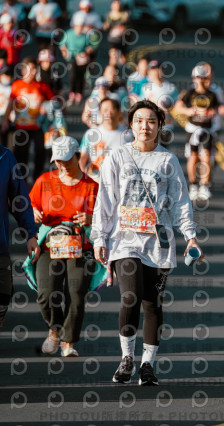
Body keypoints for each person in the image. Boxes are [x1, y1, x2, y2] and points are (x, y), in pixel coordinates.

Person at [91, 99, 203, 386]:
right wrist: (99, 236)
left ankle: (148, 365)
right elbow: (105, 200)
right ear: (130, 125)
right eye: (139, 121)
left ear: (160, 126)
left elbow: (180, 202)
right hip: (124, 240)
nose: (145, 126)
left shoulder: (167, 161)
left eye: (151, 121)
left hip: (157, 243)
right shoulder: (117, 157)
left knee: (152, 304)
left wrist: (190, 237)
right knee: (130, 296)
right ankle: (127, 358)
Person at [28, 136, 98, 356]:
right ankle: (54, 329)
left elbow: (107, 219)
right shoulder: (44, 181)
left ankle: (68, 341)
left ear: (78, 156)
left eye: (67, 160)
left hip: (81, 246)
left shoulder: (91, 186)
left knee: (76, 294)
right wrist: (33, 212)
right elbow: (29, 205)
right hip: (49, 245)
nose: (63, 165)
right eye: (58, 161)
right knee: (46, 293)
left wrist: (91, 219)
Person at [0, 145, 40, 328]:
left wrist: (31, 233)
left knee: (3, 295)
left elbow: (19, 199)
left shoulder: (5, 157)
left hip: (0, 246)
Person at [173, 62, 224, 201]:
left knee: (206, 157)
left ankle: (204, 185)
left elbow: (219, 108)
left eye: (202, 77)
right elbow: (178, 106)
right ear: (193, 78)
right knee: (193, 157)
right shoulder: (190, 92)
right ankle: (193, 185)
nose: (199, 80)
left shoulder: (212, 93)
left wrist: (212, 112)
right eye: (197, 77)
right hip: (193, 129)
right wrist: (188, 111)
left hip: (208, 129)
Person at [3, 56, 54, 183]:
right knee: (21, 155)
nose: (33, 72)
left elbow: (54, 102)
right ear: (23, 70)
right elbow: (10, 104)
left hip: (38, 127)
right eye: (30, 69)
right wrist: (5, 120)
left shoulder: (42, 86)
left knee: (40, 152)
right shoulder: (17, 85)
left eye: (34, 69)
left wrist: (47, 106)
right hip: (21, 127)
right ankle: (21, 181)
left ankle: (37, 178)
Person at [79, 97, 129, 182]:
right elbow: (82, 158)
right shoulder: (92, 133)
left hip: (120, 182)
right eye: (105, 110)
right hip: (96, 181)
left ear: (119, 112)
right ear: (100, 113)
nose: (109, 113)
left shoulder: (129, 134)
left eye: (112, 109)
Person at [60, 12, 99, 106]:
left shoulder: (86, 36)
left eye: (82, 26)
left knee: (81, 77)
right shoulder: (69, 33)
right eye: (78, 26)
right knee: (73, 76)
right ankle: (72, 94)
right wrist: (65, 52)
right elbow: (62, 45)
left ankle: (79, 94)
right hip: (72, 58)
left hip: (82, 59)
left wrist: (86, 52)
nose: (80, 28)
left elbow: (93, 46)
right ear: (74, 26)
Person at [140, 59, 178, 146]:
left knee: (163, 149)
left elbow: (177, 104)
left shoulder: (171, 87)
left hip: (166, 124)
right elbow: (140, 105)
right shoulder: (145, 88)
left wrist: (169, 106)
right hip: (150, 124)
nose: (156, 72)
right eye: (153, 70)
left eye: (158, 69)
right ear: (149, 72)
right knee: (151, 148)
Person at [103, 0, 129, 67]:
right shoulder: (109, 15)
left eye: (118, 5)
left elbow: (128, 27)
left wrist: (122, 29)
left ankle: (119, 67)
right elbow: (106, 26)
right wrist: (105, 26)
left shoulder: (124, 15)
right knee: (113, 57)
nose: (116, 7)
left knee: (123, 60)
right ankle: (112, 71)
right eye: (114, 5)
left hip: (122, 40)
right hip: (112, 40)